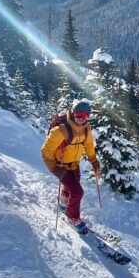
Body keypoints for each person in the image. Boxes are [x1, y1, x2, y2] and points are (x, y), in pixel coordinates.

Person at [41, 99, 100, 232]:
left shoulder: (86, 129)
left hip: (74, 164)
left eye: (84, 116)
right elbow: (45, 152)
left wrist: (94, 161)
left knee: (73, 186)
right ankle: (73, 216)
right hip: (61, 166)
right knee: (77, 192)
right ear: (73, 113)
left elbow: (88, 145)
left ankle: (63, 202)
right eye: (78, 115)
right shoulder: (60, 130)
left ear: (88, 116)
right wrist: (54, 169)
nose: (80, 119)